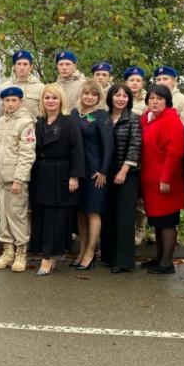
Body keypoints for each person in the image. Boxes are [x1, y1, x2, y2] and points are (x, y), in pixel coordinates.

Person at [29, 84, 84, 275]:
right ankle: (47, 254)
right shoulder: (39, 122)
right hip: (41, 174)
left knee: (56, 218)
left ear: (61, 100)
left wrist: (74, 176)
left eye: (54, 98)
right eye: (47, 98)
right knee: (42, 216)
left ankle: (48, 257)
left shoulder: (69, 122)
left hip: (61, 174)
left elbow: (77, 150)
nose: (50, 101)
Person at [140, 85, 184, 274]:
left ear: (167, 101)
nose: (155, 101)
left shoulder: (171, 120)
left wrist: (166, 178)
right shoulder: (150, 118)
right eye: (151, 98)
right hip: (151, 180)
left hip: (165, 180)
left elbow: (174, 152)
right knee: (157, 221)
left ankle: (167, 263)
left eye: (159, 98)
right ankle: (159, 258)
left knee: (167, 221)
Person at [0, 86, 36, 272]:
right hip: (0, 177)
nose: (9, 104)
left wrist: (19, 179)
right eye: (6, 101)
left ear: (21, 102)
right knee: (4, 217)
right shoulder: (1, 121)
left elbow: (27, 154)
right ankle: (7, 251)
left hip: (15, 179)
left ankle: (21, 253)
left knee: (17, 215)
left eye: (13, 100)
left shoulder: (26, 123)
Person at [73, 80, 113, 270]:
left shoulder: (102, 116)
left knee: (93, 211)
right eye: (86, 93)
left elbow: (108, 146)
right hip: (78, 171)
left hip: (96, 171)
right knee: (81, 212)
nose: (89, 97)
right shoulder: (74, 114)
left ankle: (90, 252)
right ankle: (81, 250)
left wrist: (104, 171)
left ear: (99, 97)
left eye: (94, 94)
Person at [101, 83, 141, 273]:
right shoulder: (103, 117)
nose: (121, 99)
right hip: (106, 174)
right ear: (110, 97)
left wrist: (124, 171)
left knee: (124, 218)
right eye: (117, 95)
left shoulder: (133, 119)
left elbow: (135, 147)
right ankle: (108, 256)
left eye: (125, 96)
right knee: (108, 215)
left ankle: (123, 261)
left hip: (127, 174)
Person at [124, 66, 149, 246]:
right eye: (131, 80)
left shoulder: (147, 101)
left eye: (138, 80)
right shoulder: (120, 97)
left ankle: (140, 228)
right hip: (123, 151)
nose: (135, 83)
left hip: (142, 152)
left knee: (141, 197)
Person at [0, 50, 43, 118]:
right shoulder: (4, 87)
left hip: (34, 127)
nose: (22, 67)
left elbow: (43, 113)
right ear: (14, 67)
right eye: (19, 64)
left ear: (31, 67)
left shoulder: (40, 87)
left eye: (25, 64)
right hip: (11, 127)